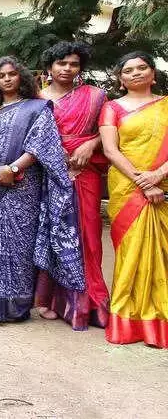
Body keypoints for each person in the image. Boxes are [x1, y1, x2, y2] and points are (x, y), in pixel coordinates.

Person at [0, 56, 85, 323]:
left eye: (12, 74)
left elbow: (40, 146)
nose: (7, 79)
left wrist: (11, 170)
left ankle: (16, 307)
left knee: (18, 244)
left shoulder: (37, 108)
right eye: (1, 76)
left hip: (22, 185)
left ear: (21, 77)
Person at [35, 41, 109, 330]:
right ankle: (54, 301)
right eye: (61, 63)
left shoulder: (95, 96)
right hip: (50, 174)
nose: (67, 69)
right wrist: (56, 157)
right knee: (52, 236)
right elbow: (33, 138)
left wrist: (91, 143)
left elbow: (111, 132)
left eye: (74, 64)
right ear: (50, 67)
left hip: (85, 172)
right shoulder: (38, 98)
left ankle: (91, 302)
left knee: (89, 236)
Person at [99, 51, 168, 348]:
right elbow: (111, 151)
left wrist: (159, 175)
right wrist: (143, 179)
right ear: (120, 78)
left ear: (153, 74)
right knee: (129, 254)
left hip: (162, 185)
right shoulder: (111, 108)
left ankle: (159, 321)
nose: (136, 73)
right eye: (129, 70)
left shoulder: (166, 106)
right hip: (127, 186)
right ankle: (127, 321)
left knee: (161, 256)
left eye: (142, 68)